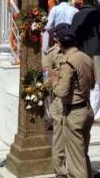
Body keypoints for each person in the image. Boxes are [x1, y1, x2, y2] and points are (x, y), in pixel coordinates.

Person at [50, 24, 95, 178]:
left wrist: (54, 82)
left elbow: (62, 92)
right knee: (82, 155)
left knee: (75, 163)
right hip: (86, 109)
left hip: (74, 112)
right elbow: (92, 84)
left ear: (60, 43)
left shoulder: (68, 61)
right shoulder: (86, 58)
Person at [71, 0, 100, 117]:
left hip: (81, 52)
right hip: (96, 51)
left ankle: (84, 108)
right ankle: (95, 112)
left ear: (82, 1)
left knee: (82, 80)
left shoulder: (77, 15)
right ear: (93, 2)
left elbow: (73, 33)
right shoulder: (98, 15)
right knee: (98, 81)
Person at [43, 41, 66, 178]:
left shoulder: (77, 55)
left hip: (72, 101)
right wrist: (54, 81)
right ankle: (60, 171)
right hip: (59, 98)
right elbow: (46, 75)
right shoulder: (52, 53)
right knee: (59, 138)